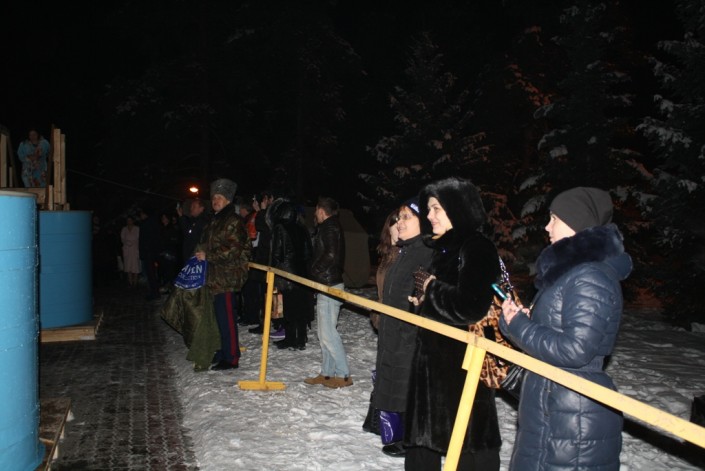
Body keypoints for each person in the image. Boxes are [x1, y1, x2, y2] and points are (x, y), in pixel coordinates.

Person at [499, 187, 632, 471]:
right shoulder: (569, 274)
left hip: (572, 417)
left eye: (555, 219)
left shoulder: (590, 276)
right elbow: (551, 333)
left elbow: (576, 350)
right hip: (551, 403)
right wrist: (515, 321)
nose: (547, 227)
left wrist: (520, 325)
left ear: (577, 222)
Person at [406, 177, 502, 471]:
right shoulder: (444, 248)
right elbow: (442, 302)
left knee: (467, 443)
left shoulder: (477, 247)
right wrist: (421, 300)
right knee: (425, 439)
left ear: (458, 209)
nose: (429, 215)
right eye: (429, 209)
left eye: (437, 208)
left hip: (462, 366)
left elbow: (470, 306)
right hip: (434, 364)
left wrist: (431, 288)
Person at [372, 198, 433, 458]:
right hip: (393, 332)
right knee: (395, 384)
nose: (399, 223)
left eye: (407, 217)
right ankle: (401, 434)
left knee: (407, 387)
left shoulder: (426, 253)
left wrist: (410, 328)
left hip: (410, 336)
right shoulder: (405, 252)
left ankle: (411, 440)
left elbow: (427, 298)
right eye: (398, 217)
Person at [194, 178, 251, 370]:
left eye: (219, 197)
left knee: (226, 318)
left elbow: (233, 250)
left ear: (228, 200)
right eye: (213, 197)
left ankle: (231, 356)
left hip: (227, 276)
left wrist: (208, 255)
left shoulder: (233, 220)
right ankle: (221, 351)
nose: (215, 200)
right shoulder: (215, 220)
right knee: (217, 318)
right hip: (214, 276)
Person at [304, 196, 352, 388]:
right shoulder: (329, 226)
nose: (315, 214)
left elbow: (331, 254)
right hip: (326, 284)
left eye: (316, 210)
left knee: (328, 334)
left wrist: (314, 270)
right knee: (324, 333)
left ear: (321, 211)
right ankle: (327, 373)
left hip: (329, 285)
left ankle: (343, 374)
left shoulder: (330, 227)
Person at [267, 198, 314, 350]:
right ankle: (301, 338)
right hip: (302, 273)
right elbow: (308, 252)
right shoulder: (302, 228)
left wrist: (272, 268)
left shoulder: (279, 228)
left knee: (289, 307)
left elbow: (277, 254)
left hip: (287, 274)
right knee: (300, 306)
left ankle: (291, 339)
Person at [247, 190, 275, 334]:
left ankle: (268, 323)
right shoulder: (269, 213)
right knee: (263, 293)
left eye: (266, 199)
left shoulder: (274, 212)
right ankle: (265, 322)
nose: (264, 201)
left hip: (269, 260)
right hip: (265, 259)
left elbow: (262, 226)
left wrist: (261, 211)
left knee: (268, 294)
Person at [178, 198, 209, 264]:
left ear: (201, 209)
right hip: (189, 256)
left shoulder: (203, 222)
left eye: (194, 207)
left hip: (196, 258)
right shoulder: (192, 221)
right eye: (191, 206)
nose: (191, 208)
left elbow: (190, 236)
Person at [120, 215, 141, 287]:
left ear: (133, 221)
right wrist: (127, 243)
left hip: (135, 249)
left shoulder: (137, 228)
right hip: (127, 250)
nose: (129, 222)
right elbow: (122, 239)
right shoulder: (124, 229)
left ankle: (135, 282)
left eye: (130, 220)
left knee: (135, 266)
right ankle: (130, 282)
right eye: (128, 220)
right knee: (128, 266)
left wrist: (132, 243)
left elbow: (138, 238)